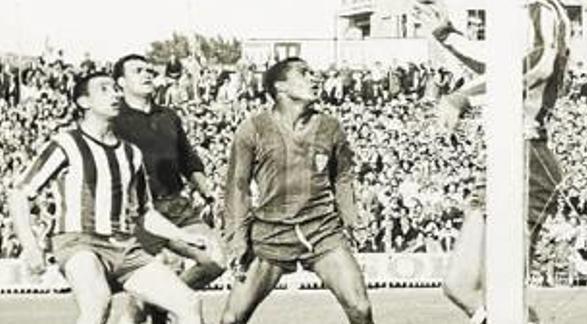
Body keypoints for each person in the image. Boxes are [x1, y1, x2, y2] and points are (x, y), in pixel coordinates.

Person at [421, 0, 583, 324]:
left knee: (502, 295)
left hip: (526, 157)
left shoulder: (543, 10)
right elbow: (501, 63)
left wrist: (460, 97)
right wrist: (448, 35)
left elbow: (532, 66)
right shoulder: (536, 11)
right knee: (459, 287)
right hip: (503, 159)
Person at [7, 72, 209, 324]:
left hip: (125, 247)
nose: (115, 93)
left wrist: (183, 236)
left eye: (116, 88)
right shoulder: (66, 144)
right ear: (84, 102)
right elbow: (19, 192)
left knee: (189, 303)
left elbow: (145, 213)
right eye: (104, 89)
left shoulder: (130, 153)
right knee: (97, 304)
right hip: (79, 242)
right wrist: (30, 246)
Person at [219, 58, 373, 324]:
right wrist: (237, 238)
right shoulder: (252, 128)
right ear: (280, 86)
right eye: (303, 73)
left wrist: (351, 219)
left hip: (322, 230)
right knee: (232, 319)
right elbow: (237, 186)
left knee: (360, 308)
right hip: (271, 233)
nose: (314, 78)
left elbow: (343, 177)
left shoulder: (330, 127)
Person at [111, 54, 225, 323]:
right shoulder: (114, 120)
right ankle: (164, 301)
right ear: (121, 82)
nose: (147, 74)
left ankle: (165, 304)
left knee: (216, 260)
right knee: (137, 305)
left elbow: (188, 160)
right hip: (138, 212)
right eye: (138, 71)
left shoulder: (169, 116)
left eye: (150, 70)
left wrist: (208, 192)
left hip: (176, 205)